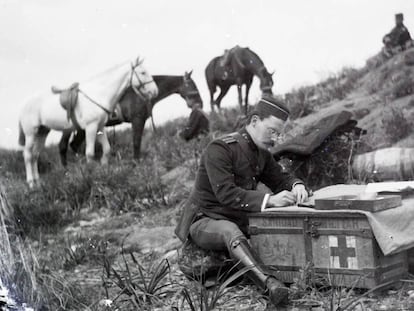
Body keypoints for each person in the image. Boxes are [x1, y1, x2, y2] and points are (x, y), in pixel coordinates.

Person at [175, 95, 309, 306]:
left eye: (279, 134)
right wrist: (271, 200)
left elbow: (280, 178)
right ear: (254, 121)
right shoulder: (220, 149)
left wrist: (296, 185)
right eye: (272, 131)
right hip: (206, 219)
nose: (275, 139)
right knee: (229, 231)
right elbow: (226, 194)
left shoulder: (260, 153)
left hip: (237, 218)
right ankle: (270, 285)